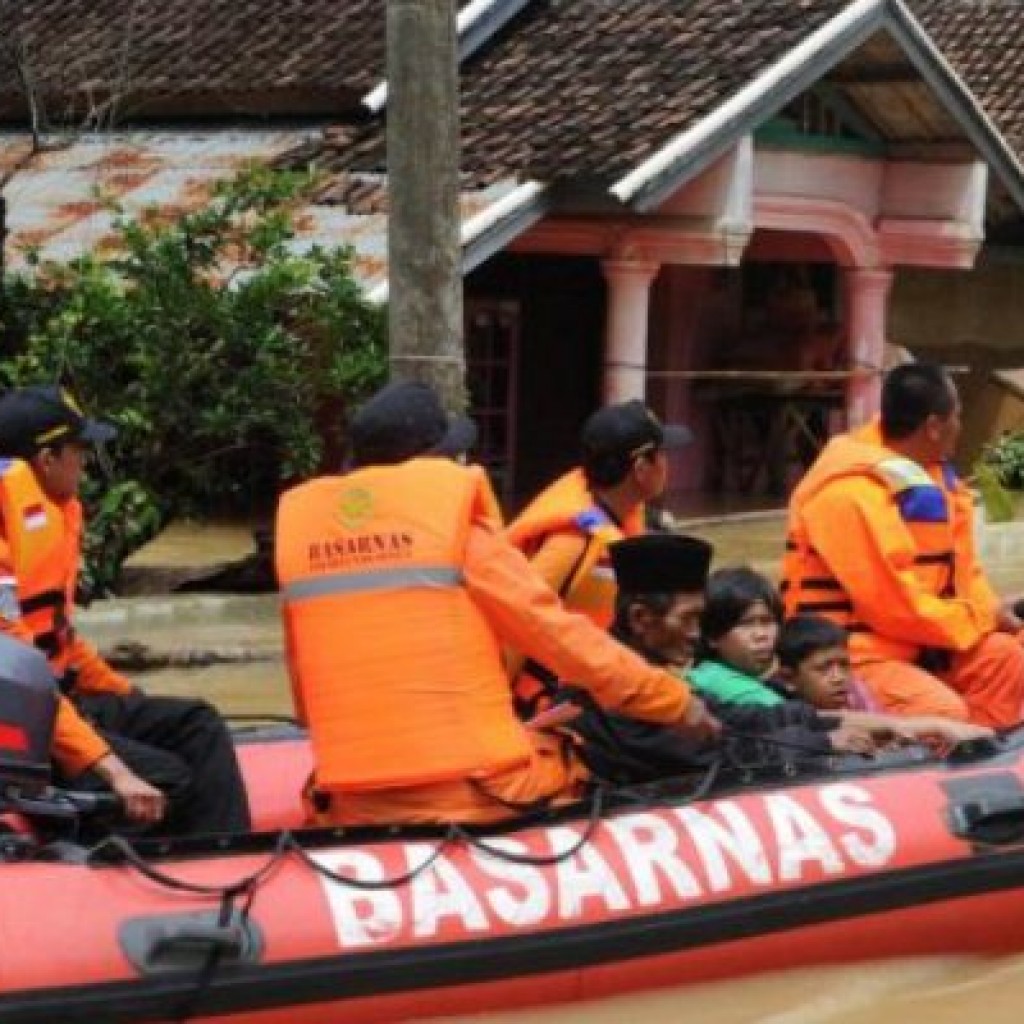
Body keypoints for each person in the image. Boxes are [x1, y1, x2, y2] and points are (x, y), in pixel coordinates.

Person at [274, 380, 720, 826]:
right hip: (469, 793)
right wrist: (676, 704)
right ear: (433, 463)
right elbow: (557, 633)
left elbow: (304, 705)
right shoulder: (466, 541)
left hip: (347, 801)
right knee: (592, 753)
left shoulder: (306, 556)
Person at [0, 385, 250, 835]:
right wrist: (114, 770)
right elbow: (24, 689)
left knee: (199, 724)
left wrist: (127, 695)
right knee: (168, 778)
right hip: (26, 735)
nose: (86, 462)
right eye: (79, 449)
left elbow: (60, 642)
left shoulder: (47, 518)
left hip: (59, 709)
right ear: (47, 460)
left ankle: (230, 862)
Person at [781, 362, 1024, 727]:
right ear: (933, 427)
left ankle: (989, 759)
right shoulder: (847, 494)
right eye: (957, 417)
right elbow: (892, 606)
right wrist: (980, 619)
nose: (961, 427)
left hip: (925, 639)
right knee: (943, 712)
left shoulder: (937, 478)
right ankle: (953, 753)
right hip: (854, 652)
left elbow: (965, 574)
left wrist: (991, 613)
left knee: (1008, 656)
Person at [504, 400, 692, 714]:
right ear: (641, 469)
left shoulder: (618, 519)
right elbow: (514, 621)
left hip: (588, 692)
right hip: (543, 707)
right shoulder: (571, 541)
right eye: (662, 454)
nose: (667, 463)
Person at [691, 565, 992, 754]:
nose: (762, 635)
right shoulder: (718, 681)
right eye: (746, 624)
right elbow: (806, 722)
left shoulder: (753, 677)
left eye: (767, 622)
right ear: (713, 636)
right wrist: (924, 725)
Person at [777, 615, 881, 712]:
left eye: (844, 665)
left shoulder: (859, 698)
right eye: (824, 669)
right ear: (789, 679)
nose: (839, 678)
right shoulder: (780, 719)